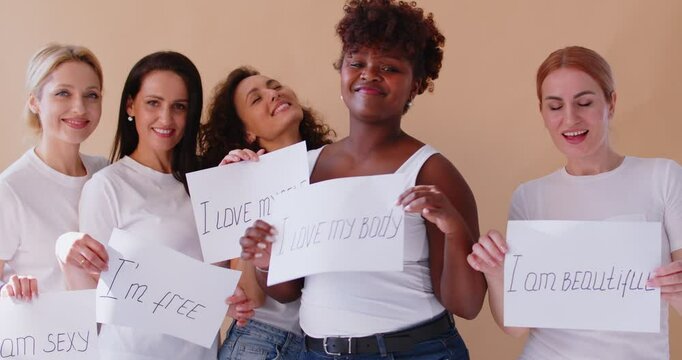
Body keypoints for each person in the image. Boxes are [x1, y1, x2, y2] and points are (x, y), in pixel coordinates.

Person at [240, 1, 487, 358]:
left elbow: (466, 305)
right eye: (356, 63)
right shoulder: (303, 169)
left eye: (389, 67)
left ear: (416, 85)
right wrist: (265, 261)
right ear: (341, 71)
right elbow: (287, 291)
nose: (369, 74)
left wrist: (455, 229)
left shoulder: (432, 171)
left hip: (416, 351)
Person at [467, 46, 682, 359]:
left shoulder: (663, 177)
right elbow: (516, 326)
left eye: (584, 102)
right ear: (541, 112)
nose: (570, 118)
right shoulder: (529, 197)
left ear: (611, 103)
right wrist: (496, 273)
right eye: (555, 106)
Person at [58, 51, 218, 359]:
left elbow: (225, 277)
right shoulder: (107, 187)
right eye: (153, 103)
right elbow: (92, 298)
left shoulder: (207, 184)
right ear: (131, 105)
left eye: (179, 107)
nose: (166, 119)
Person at [199, 66, 334, 360]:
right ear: (248, 132)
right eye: (256, 99)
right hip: (261, 343)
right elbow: (252, 298)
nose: (274, 94)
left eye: (275, 86)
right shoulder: (239, 179)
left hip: (324, 346)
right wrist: (244, 192)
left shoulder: (333, 167)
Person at [0, 44, 107, 300]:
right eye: (63, 93)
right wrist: (8, 292)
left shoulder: (105, 173)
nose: (79, 108)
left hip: (113, 338)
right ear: (34, 102)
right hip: (48, 337)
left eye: (91, 95)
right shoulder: (10, 188)